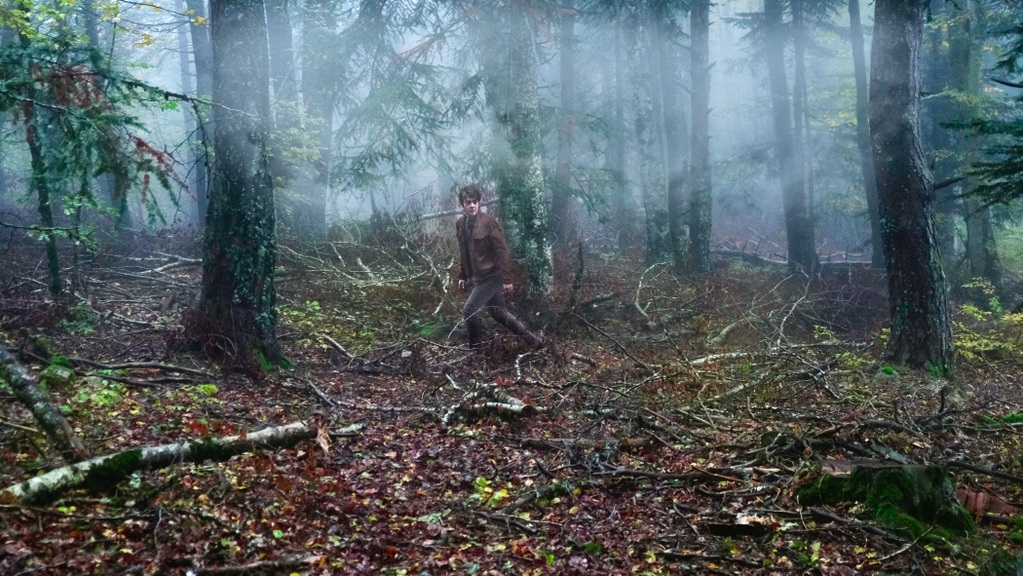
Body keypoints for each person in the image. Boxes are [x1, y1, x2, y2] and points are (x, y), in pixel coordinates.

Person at [455, 184, 544, 349]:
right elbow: (464, 252)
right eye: (469, 202)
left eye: (475, 201)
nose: (473, 205)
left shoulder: (488, 223)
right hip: (477, 277)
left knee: (469, 310)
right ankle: (534, 341)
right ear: (463, 204)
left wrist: (507, 277)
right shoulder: (461, 224)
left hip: (491, 276)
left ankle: (476, 352)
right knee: (499, 313)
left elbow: (503, 250)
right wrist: (462, 275)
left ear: (479, 203)